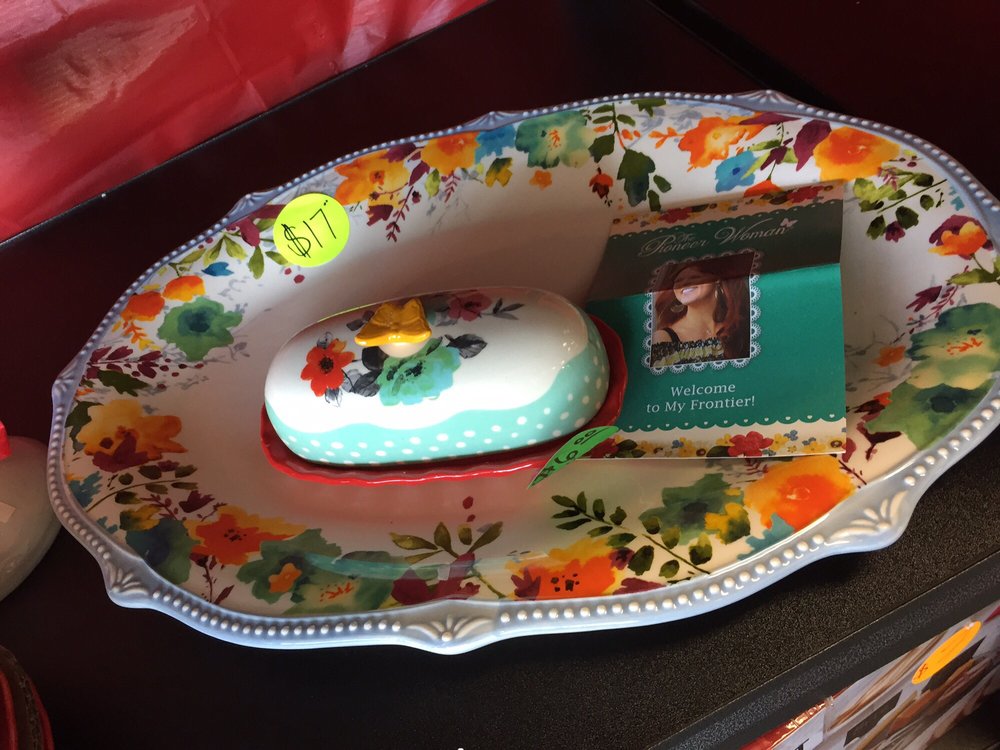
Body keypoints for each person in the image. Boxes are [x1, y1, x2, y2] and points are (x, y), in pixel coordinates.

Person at [650, 259, 750, 367]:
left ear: (716, 280)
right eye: (678, 281)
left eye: (694, 277)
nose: (685, 284)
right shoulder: (663, 337)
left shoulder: (740, 325)